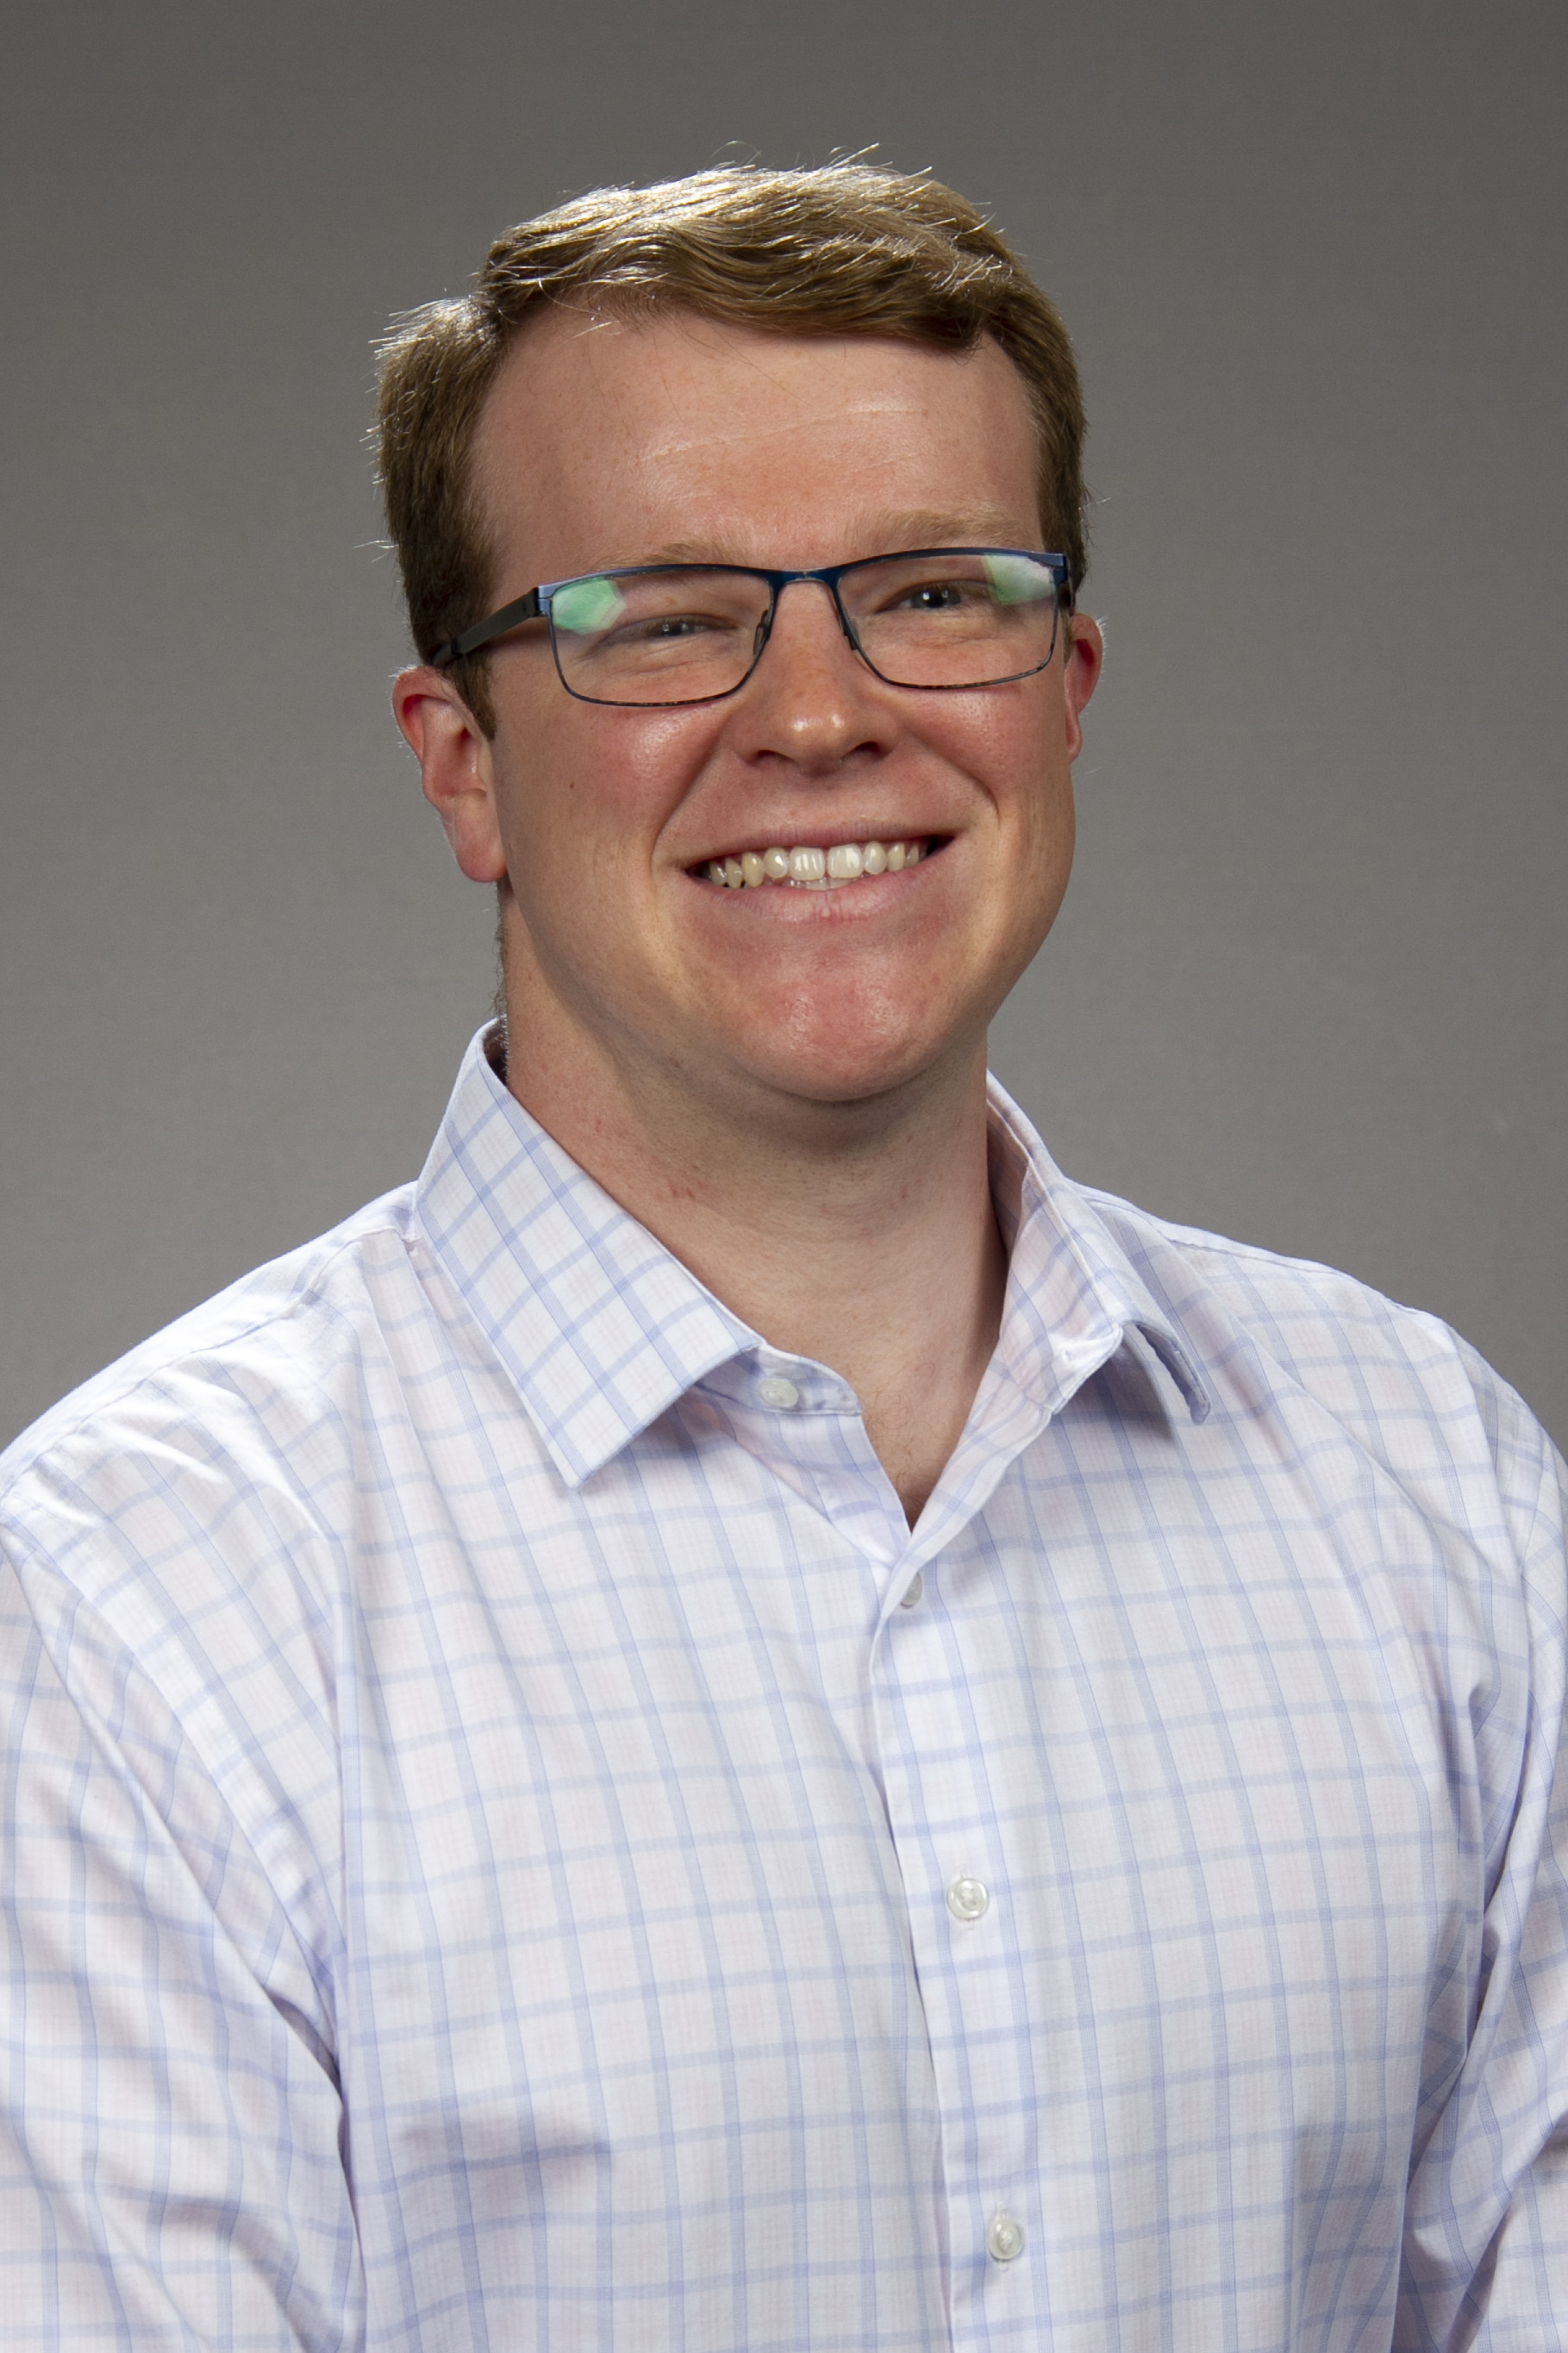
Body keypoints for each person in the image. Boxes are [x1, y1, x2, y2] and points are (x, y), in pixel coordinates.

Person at [1, 161, 1564, 2353]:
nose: (820, 714)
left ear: (1067, 686)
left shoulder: (1439, 1496)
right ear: (462, 767)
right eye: (660, 616)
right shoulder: (131, 1606)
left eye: (934, 594)